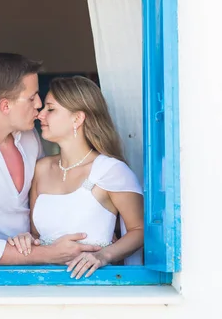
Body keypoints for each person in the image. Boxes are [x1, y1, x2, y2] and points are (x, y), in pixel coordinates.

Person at [0, 53, 102, 266]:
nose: (39, 104)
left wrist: (98, 236)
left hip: (36, 274)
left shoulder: (30, 138)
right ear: (5, 106)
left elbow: (45, 204)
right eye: (32, 98)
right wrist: (50, 254)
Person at [8, 76, 144, 279]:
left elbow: (139, 229)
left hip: (94, 285)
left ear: (77, 118)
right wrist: (26, 239)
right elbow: (37, 234)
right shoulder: (41, 169)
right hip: (40, 283)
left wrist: (102, 256)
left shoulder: (112, 170)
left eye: (50, 109)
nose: (40, 115)